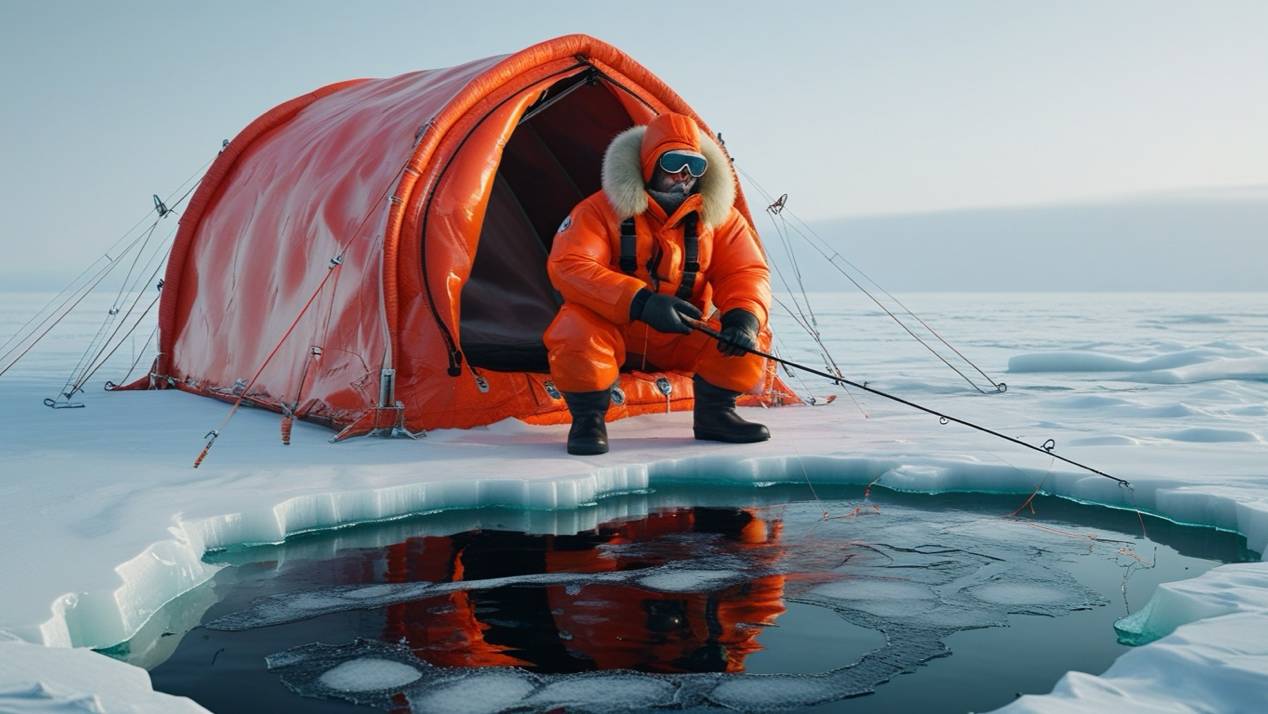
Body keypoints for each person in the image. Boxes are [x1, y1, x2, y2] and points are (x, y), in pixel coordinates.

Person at [544, 112, 772, 455]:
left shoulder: (722, 220)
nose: (684, 175)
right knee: (574, 328)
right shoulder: (598, 210)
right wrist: (640, 303)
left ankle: (716, 414)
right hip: (618, 328)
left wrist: (745, 317)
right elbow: (569, 265)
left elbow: (746, 271)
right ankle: (588, 420)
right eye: (675, 162)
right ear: (649, 164)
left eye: (695, 166)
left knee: (751, 334)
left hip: (683, 331)